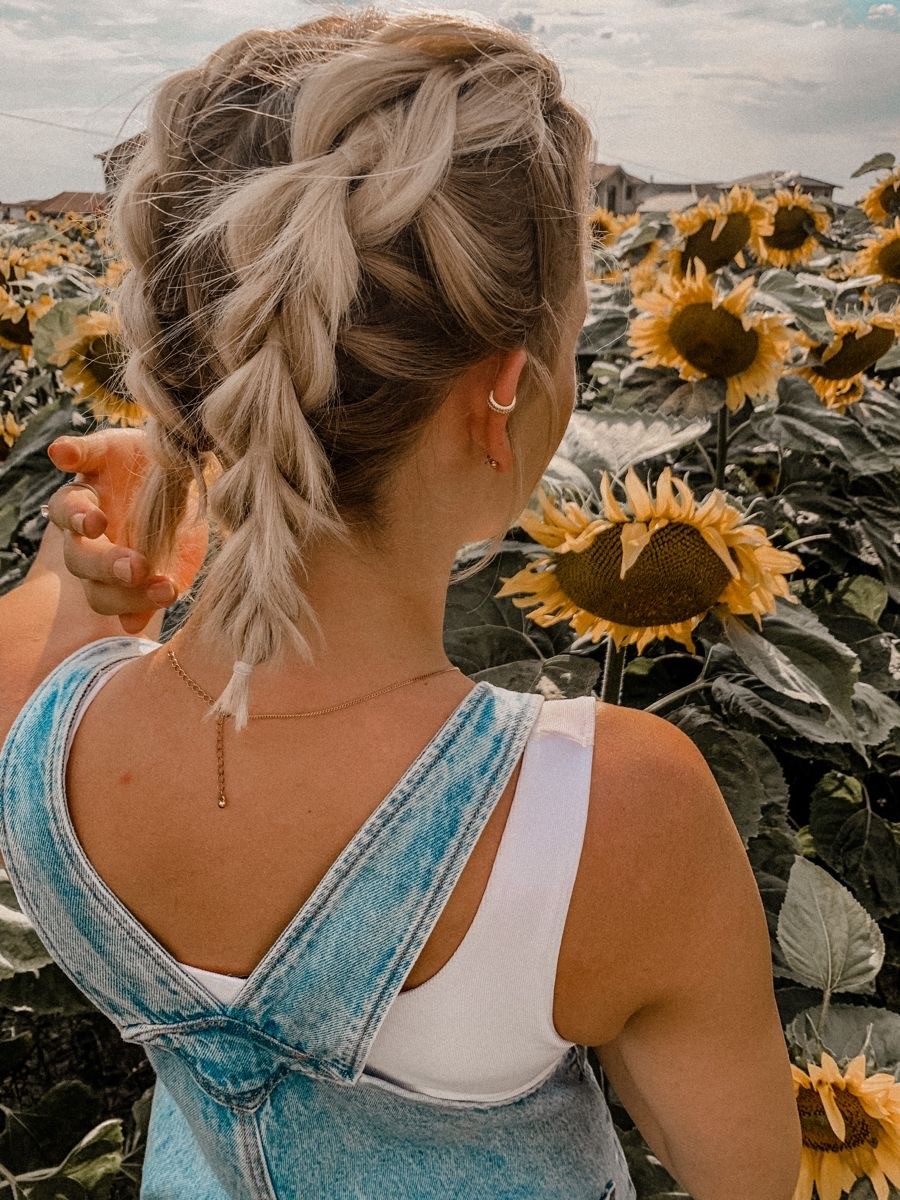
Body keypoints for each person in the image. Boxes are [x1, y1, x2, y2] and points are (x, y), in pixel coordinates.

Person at [0, 7, 802, 1199]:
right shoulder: (609, 813)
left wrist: (85, 576)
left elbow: (38, 646)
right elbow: (746, 1174)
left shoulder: (50, 739)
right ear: (503, 394)